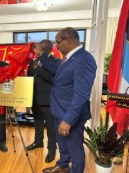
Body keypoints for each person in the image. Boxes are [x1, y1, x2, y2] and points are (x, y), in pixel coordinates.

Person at [33, 27, 97, 173]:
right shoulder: (69, 57)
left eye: (58, 42)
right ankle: (63, 166)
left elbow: (81, 94)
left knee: (75, 149)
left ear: (68, 41)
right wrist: (41, 54)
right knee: (62, 144)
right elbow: (56, 70)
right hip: (59, 111)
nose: (56, 46)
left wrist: (68, 120)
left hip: (70, 115)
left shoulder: (84, 59)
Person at [26, 39, 58, 163]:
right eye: (37, 48)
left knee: (50, 127)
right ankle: (38, 142)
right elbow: (30, 79)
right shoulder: (33, 62)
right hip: (34, 98)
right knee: (38, 123)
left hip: (48, 100)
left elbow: (53, 80)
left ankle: (51, 150)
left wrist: (38, 69)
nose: (37, 50)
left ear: (48, 49)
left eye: (40, 48)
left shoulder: (55, 62)